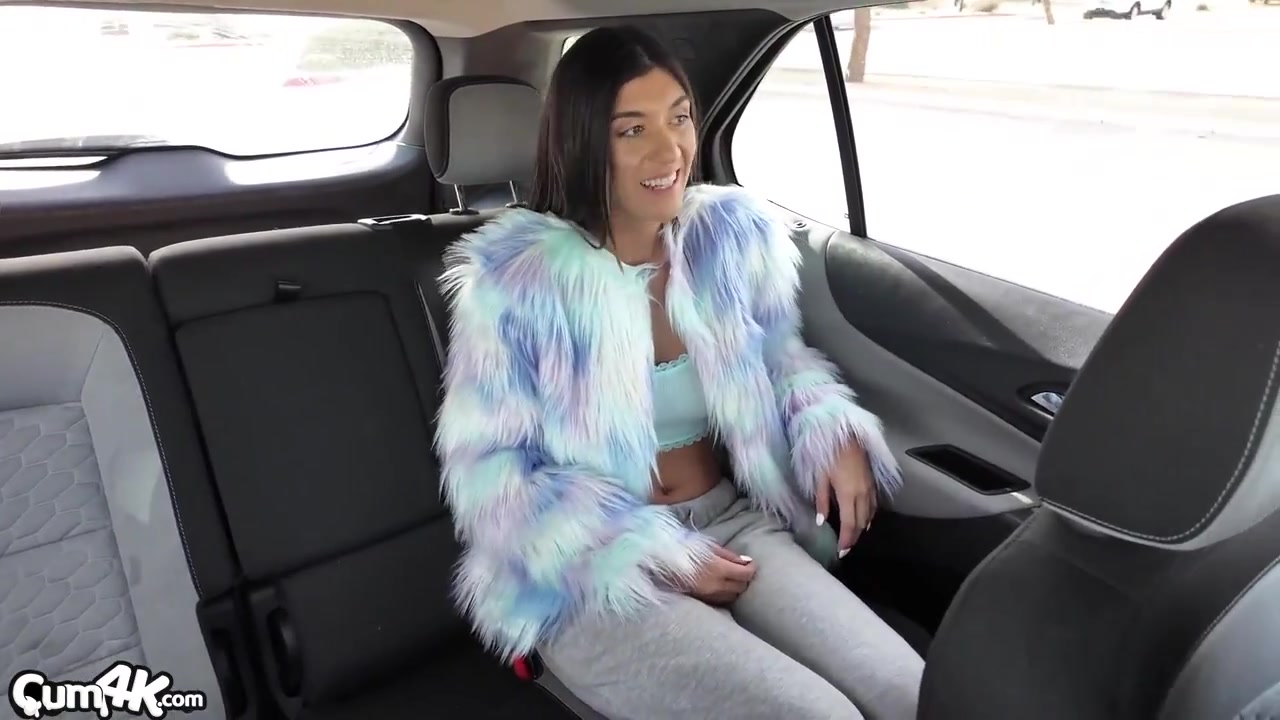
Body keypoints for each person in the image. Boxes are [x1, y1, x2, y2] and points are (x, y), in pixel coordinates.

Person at [435, 24, 924, 720]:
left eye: (680, 117)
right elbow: (490, 478)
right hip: (588, 567)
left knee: (911, 693)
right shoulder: (515, 283)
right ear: (582, 140)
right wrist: (652, 550)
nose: (669, 151)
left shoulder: (726, 242)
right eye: (631, 130)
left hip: (730, 521)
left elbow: (784, 364)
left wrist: (831, 428)